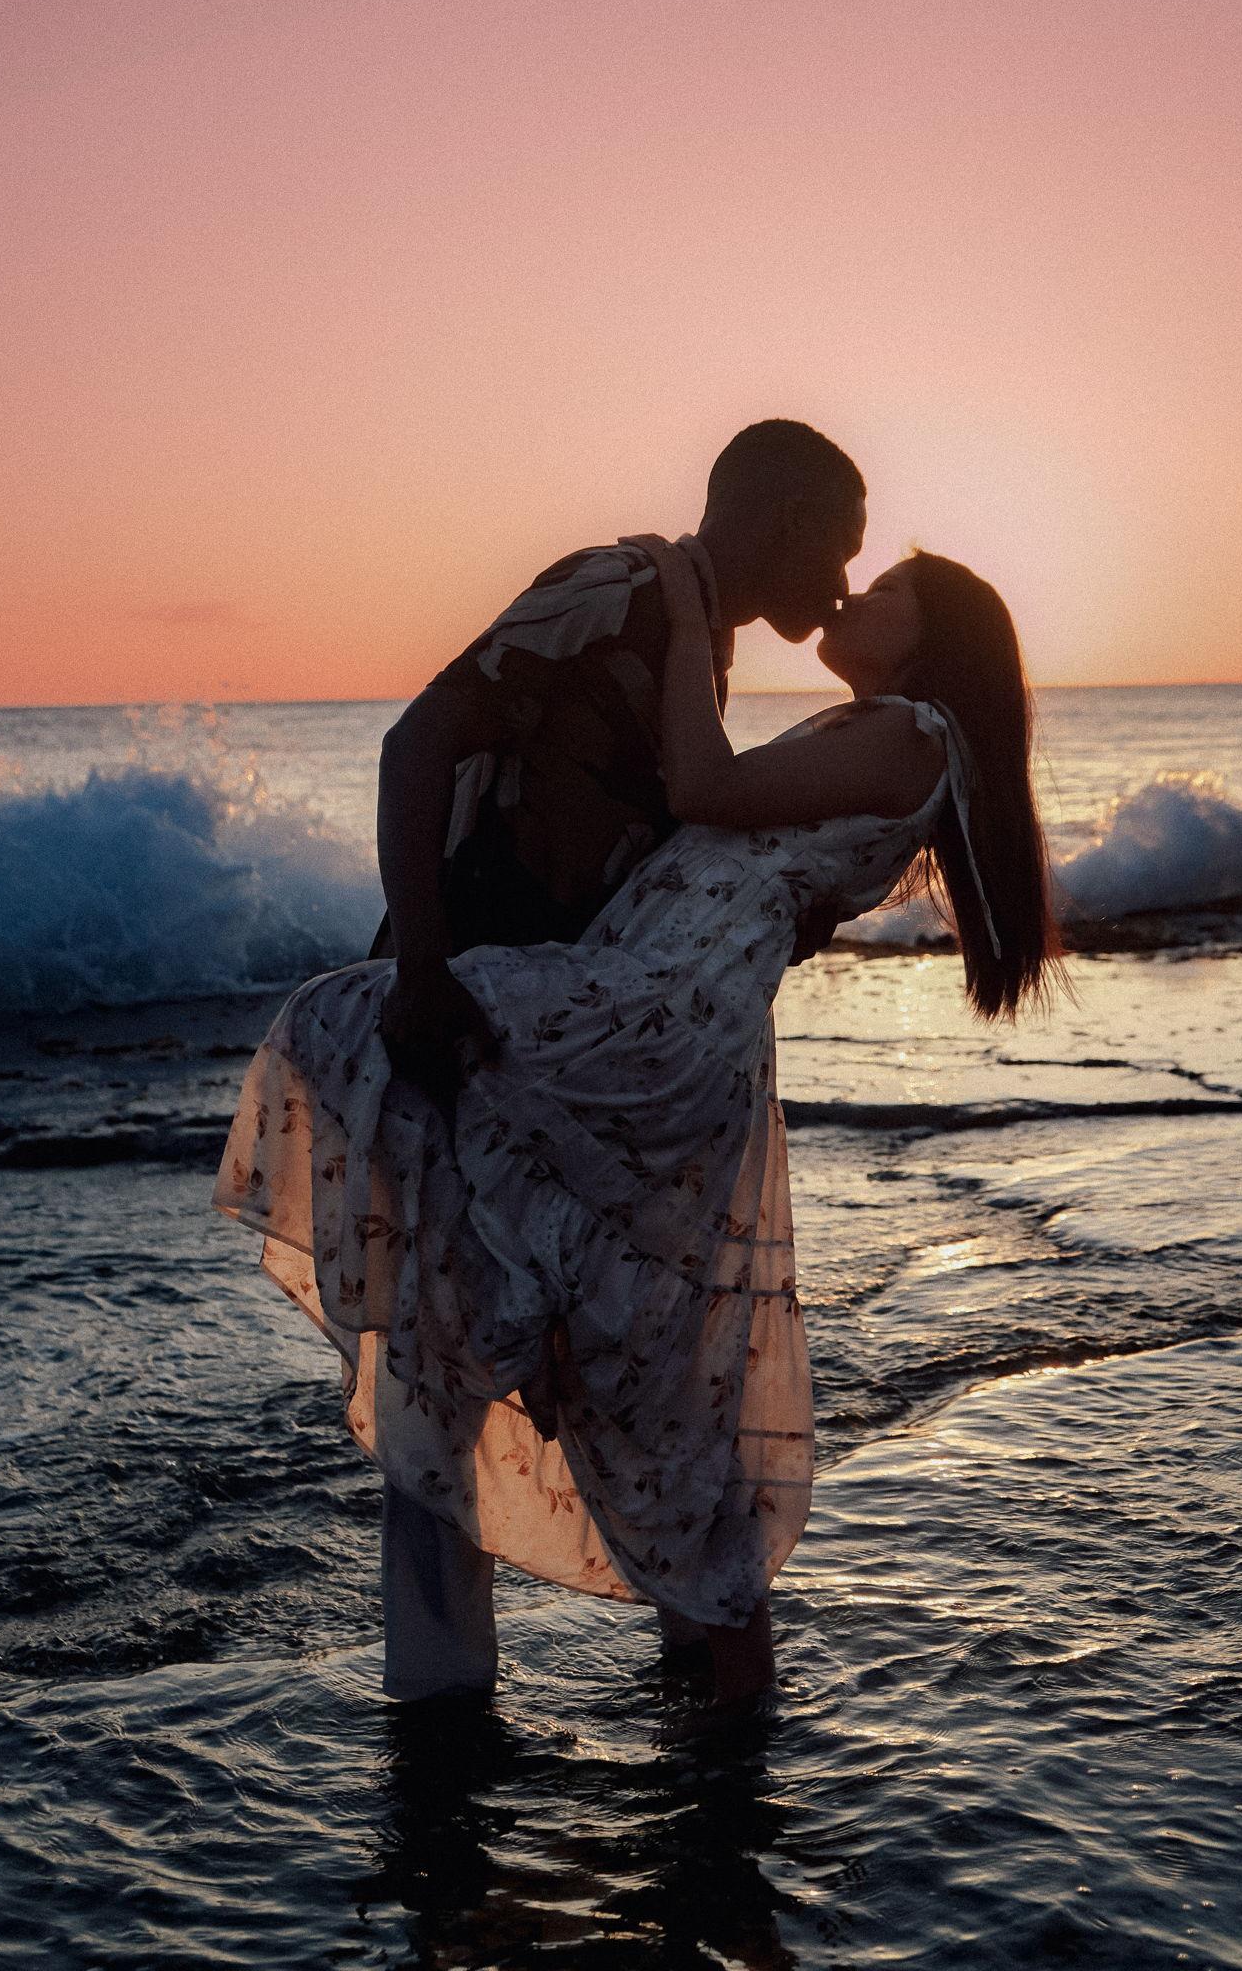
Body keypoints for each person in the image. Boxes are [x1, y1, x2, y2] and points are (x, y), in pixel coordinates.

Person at [213, 525, 1068, 1709]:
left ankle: (709, 1702)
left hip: (657, 1008)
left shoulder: (908, 733)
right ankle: (712, 1701)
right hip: (665, 1000)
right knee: (643, 1350)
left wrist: (676, 611)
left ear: (933, 639)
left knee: (352, 1020)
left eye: (883, 589)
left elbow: (702, 787)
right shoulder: (891, 741)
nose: (851, 596)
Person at [348, 419, 865, 1699]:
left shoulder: (702, 643)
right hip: (454, 1033)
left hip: (540, 1070)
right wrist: (418, 972)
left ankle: (641, 1667)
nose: (843, 586)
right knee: (440, 1400)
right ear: (781, 518)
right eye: (837, 550)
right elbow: (416, 746)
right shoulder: (617, 588)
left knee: (561, 1367)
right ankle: (442, 1721)